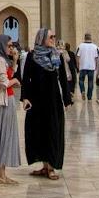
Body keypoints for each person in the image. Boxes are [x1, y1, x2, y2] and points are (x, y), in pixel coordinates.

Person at [22, 28, 70, 179]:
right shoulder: (32, 56)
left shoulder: (57, 56)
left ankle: (51, 166)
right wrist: (25, 97)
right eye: (50, 37)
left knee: (53, 131)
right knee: (38, 132)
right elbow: (26, 78)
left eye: (54, 37)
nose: (53, 39)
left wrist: (67, 100)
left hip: (53, 101)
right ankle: (44, 166)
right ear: (41, 38)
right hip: (37, 101)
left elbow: (63, 79)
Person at [0, 35, 24, 186]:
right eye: (8, 46)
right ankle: (1, 176)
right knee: (4, 138)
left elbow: (7, 74)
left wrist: (14, 61)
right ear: (1, 45)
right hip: (4, 103)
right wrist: (15, 82)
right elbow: (4, 82)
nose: (11, 48)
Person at [76, 33, 99, 102]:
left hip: (83, 66)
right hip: (91, 66)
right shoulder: (95, 47)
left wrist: (78, 64)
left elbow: (77, 56)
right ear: (90, 38)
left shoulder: (80, 46)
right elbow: (97, 58)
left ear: (84, 38)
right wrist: (96, 66)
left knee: (81, 80)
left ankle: (83, 90)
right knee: (91, 82)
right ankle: (89, 97)